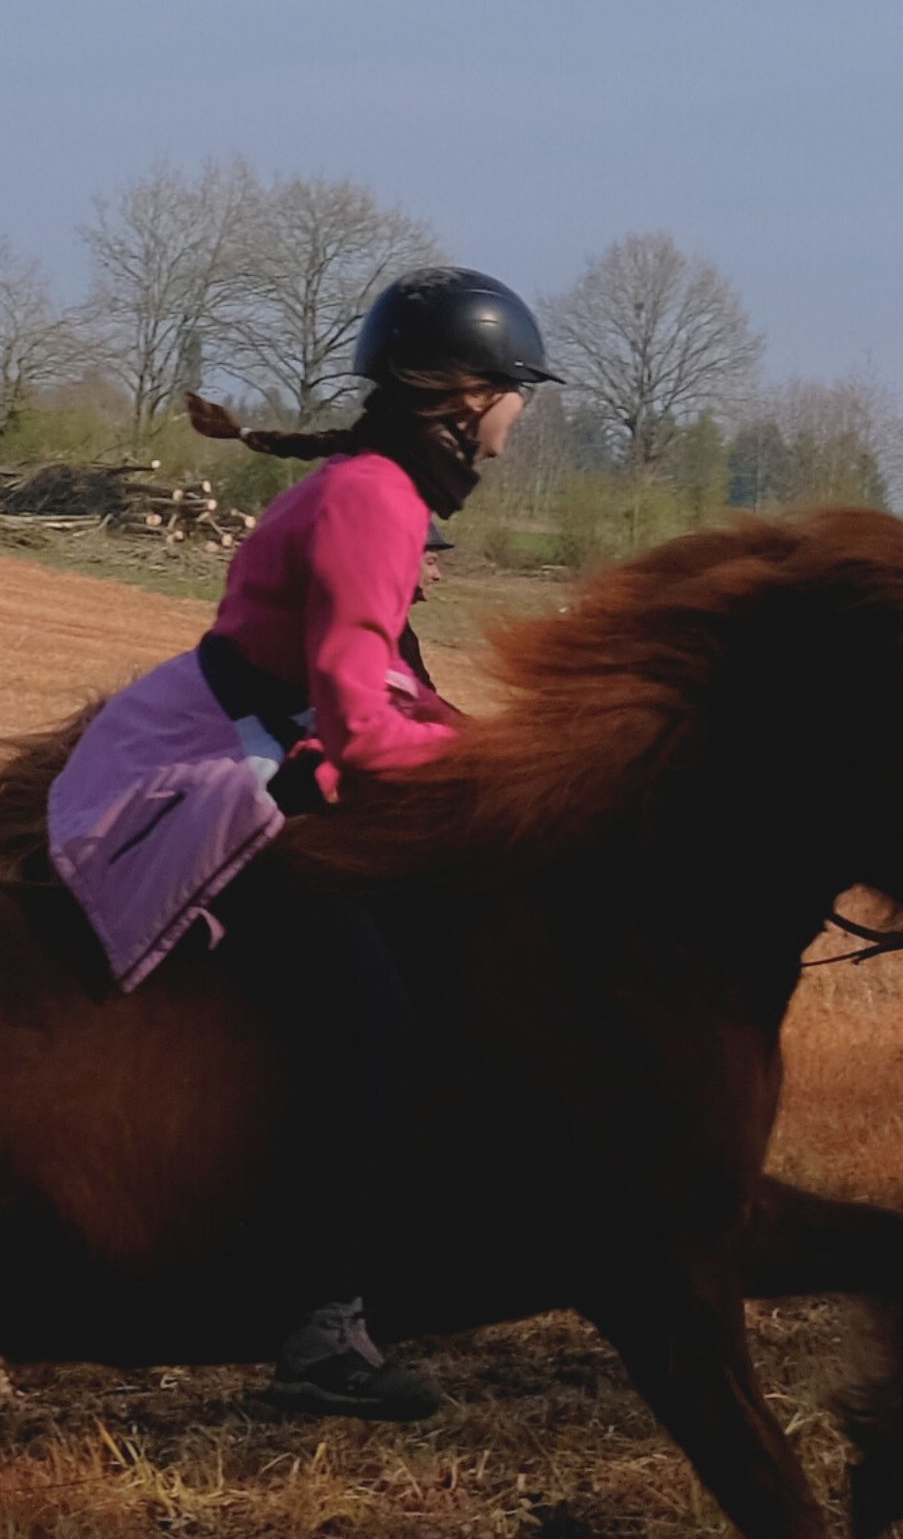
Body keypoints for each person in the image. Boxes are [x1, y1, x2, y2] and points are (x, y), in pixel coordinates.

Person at [44, 266, 557, 1423]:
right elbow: (358, 724)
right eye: (516, 395)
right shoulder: (373, 500)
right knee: (371, 1026)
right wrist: (521, 778)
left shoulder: (374, 487)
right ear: (465, 400)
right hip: (207, 771)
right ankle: (321, 1328)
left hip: (250, 739)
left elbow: (382, 692)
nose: (520, 421)